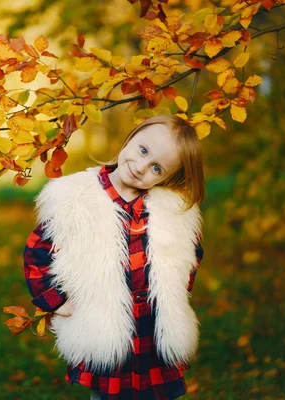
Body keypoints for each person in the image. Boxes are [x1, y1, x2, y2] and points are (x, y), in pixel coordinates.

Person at [23, 114, 205, 400]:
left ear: (169, 177)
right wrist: (56, 300)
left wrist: (175, 291)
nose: (141, 167)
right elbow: (37, 252)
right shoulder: (75, 198)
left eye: (157, 168)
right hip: (105, 326)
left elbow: (188, 254)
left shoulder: (170, 210)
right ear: (132, 137)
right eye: (143, 150)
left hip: (152, 331)